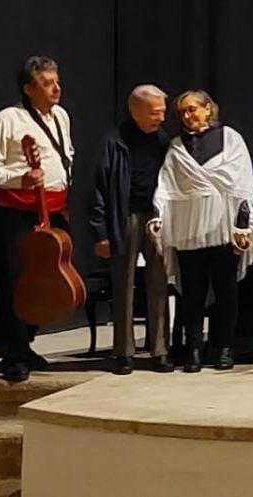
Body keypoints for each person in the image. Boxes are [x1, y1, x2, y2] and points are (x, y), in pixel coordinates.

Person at [0, 56, 76, 383]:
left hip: (52, 209)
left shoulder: (61, 116)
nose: (56, 87)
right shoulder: (6, 121)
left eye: (57, 80)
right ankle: (12, 354)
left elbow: (66, 156)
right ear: (28, 88)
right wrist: (20, 178)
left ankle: (26, 342)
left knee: (49, 281)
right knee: (15, 282)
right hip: (12, 212)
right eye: (47, 83)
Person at [148, 90, 253, 372]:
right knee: (192, 292)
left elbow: (242, 182)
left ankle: (224, 348)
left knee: (226, 290)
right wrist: (160, 215)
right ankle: (193, 349)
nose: (188, 115)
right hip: (188, 229)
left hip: (223, 227)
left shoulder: (231, 139)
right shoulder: (177, 146)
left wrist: (243, 224)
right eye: (182, 112)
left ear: (208, 109)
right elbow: (168, 186)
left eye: (193, 109)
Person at [89, 84, 174, 375]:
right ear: (135, 111)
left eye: (162, 112)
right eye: (154, 112)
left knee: (159, 280)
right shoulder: (115, 141)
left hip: (156, 216)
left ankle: (160, 349)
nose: (161, 118)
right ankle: (123, 352)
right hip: (124, 217)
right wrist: (100, 231)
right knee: (123, 283)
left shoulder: (163, 140)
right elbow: (100, 186)